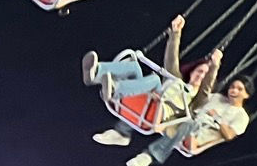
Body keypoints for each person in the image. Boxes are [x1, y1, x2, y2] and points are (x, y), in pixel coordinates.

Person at [85, 15, 220, 146]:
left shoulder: (196, 100)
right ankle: (96, 72)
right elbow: (171, 61)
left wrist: (214, 66)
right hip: (147, 100)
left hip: (158, 114)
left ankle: (115, 89)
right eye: (200, 71)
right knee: (134, 67)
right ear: (192, 71)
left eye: (205, 75)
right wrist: (175, 32)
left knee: (155, 79)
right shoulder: (176, 80)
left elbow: (206, 89)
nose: (201, 75)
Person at [126, 71, 251, 166]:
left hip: (200, 133)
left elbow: (229, 135)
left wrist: (216, 117)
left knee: (189, 124)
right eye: (232, 87)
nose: (234, 91)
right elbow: (198, 100)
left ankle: (150, 156)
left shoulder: (242, 116)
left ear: (246, 95)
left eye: (239, 89)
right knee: (160, 101)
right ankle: (123, 130)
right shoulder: (217, 98)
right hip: (188, 119)